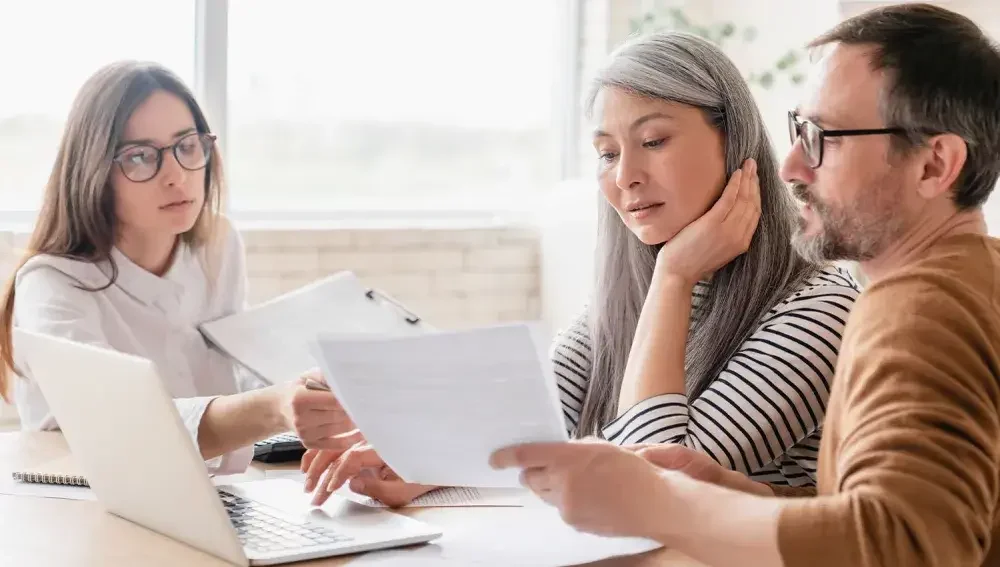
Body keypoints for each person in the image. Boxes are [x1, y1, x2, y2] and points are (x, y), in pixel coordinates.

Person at [491, 3, 1000, 567]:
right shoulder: (958, 286)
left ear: (934, 166)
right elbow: (908, 515)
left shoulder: (920, 308)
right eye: (798, 131)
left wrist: (662, 502)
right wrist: (751, 496)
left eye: (824, 137)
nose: (790, 168)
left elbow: (906, 545)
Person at [296, 31, 860, 506]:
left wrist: (673, 276)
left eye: (654, 140)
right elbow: (534, 424)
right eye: (608, 153)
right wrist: (418, 465)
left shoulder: (822, 308)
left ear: (734, 141)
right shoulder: (626, 295)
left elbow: (654, 481)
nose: (625, 176)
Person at [0, 61, 343, 474]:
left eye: (187, 145)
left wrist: (310, 388)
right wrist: (273, 407)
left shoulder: (217, 245)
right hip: (93, 509)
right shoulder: (52, 284)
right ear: (94, 171)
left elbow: (230, 368)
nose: (176, 175)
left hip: (217, 496)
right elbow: (121, 425)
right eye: (140, 157)